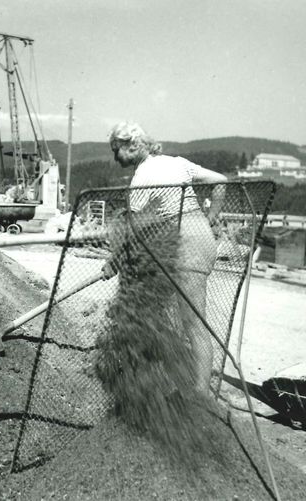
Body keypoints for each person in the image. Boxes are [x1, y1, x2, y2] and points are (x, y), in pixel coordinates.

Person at [104, 121, 227, 394]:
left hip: (185, 244)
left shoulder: (142, 178)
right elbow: (221, 180)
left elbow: (134, 231)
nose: (115, 158)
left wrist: (113, 263)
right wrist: (210, 216)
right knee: (183, 318)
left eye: (117, 151)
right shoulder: (177, 162)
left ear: (132, 146)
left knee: (193, 323)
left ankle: (200, 394)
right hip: (201, 236)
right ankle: (184, 382)